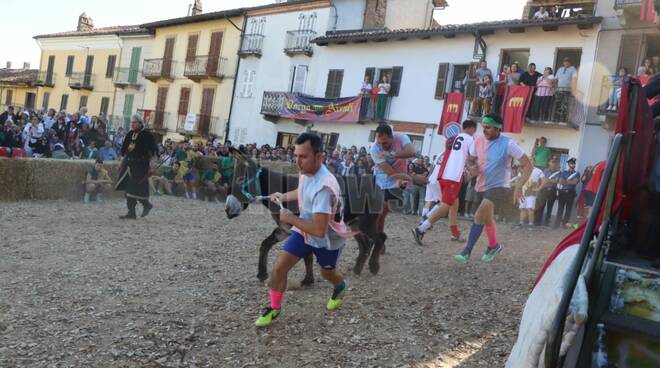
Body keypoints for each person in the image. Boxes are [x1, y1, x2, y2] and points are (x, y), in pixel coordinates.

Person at [254, 133, 349, 327]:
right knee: (279, 267)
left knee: (327, 274)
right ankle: (274, 309)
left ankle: (340, 285)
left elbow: (319, 230)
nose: (297, 162)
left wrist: (290, 218)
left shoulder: (325, 188)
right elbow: (302, 191)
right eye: (296, 156)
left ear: (319, 157)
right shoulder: (307, 171)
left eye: (303, 157)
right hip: (304, 230)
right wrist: (283, 196)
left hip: (327, 239)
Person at [453, 114, 533, 263]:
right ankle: (493, 246)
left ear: (498, 128)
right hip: (481, 186)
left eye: (488, 127)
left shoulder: (508, 144)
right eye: (483, 127)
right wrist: (472, 168)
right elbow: (470, 161)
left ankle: (466, 252)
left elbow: (528, 165)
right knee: (487, 219)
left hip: (499, 187)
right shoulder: (477, 142)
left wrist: (519, 185)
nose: (484, 130)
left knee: (478, 216)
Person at [413, 120, 477, 244]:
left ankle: (455, 233)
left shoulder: (451, 139)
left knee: (454, 204)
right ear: (472, 128)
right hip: (453, 177)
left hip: (442, 174)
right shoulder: (470, 139)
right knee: (445, 207)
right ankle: (421, 228)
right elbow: (472, 157)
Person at [371, 124, 419, 233]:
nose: (382, 146)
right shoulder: (375, 149)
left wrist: (392, 154)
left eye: (385, 143)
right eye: (380, 143)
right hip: (383, 181)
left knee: (381, 213)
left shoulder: (402, 137)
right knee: (380, 213)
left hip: (398, 181)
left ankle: (377, 238)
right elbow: (389, 171)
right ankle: (378, 238)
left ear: (392, 137)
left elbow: (412, 152)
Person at [116, 114, 158, 219]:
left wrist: (152, 165)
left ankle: (146, 205)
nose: (132, 124)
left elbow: (153, 151)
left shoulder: (146, 135)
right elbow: (125, 150)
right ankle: (132, 212)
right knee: (128, 188)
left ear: (140, 123)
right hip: (129, 165)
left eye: (134, 122)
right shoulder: (130, 134)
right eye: (132, 122)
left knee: (136, 188)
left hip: (141, 166)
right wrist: (121, 162)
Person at [555, 157, 580, 228]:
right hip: (562, 192)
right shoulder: (564, 172)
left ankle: (564, 224)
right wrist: (569, 182)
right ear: (568, 164)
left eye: (573, 163)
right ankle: (556, 224)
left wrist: (566, 181)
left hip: (570, 193)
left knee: (568, 210)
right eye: (571, 163)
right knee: (560, 209)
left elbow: (575, 182)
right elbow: (561, 181)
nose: (572, 165)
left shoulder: (576, 173)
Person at [536, 159, 560, 226]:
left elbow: (556, 181)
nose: (553, 163)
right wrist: (549, 180)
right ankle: (538, 221)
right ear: (549, 163)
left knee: (550, 207)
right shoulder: (545, 170)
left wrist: (547, 180)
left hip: (552, 190)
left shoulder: (558, 172)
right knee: (541, 206)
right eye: (552, 162)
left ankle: (547, 222)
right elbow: (542, 180)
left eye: (555, 162)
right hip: (544, 190)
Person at [554, 58, 578, 122]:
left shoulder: (573, 69)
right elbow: (556, 79)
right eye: (565, 61)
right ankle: (556, 119)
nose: (566, 63)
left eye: (568, 62)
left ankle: (563, 119)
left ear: (570, 63)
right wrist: (555, 88)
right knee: (557, 104)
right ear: (563, 62)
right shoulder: (560, 69)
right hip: (559, 90)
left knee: (565, 105)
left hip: (567, 90)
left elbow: (574, 80)